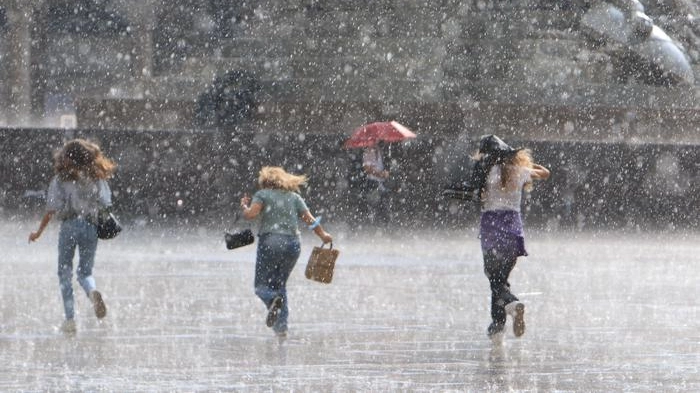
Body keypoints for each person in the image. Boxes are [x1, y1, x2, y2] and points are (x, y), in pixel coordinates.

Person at [29, 138, 116, 334]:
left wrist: (38, 232)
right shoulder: (97, 177)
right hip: (91, 227)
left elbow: (51, 209)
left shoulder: (61, 179)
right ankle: (92, 292)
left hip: (69, 226)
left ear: (67, 158)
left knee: (64, 274)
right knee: (85, 272)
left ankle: (70, 320)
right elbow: (106, 202)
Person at [473, 135, 550, 344]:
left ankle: (511, 306)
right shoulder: (520, 172)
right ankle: (497, 327)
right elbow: (545, 173)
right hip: (513, 229)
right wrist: (525, 165)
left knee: (494, 277)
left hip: (491, 227)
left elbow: (472, 192)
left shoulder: (485, 173)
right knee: (500, 279)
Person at [240, 166, 333, 337]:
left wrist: (245, 207)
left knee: (262, 287)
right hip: (293, 244)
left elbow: (251, 215)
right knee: (280, 285)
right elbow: (310, 220)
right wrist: (323, 235)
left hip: (271, 242)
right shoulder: (294, 197)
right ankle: (281, 328)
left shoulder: (263, 194)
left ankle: (271, 300)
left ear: (265, 181)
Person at [361, 142, 391, 225]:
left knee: (384, 204)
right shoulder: (368, 152)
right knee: (375, 205)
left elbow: (384, 166)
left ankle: (383, 224)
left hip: (381, 183)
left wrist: (386, 173)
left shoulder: (380, 150)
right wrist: (379, 174)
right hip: (372, 182)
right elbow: (367, 169)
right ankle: (375, 224)